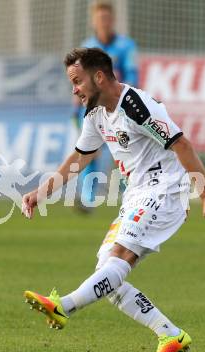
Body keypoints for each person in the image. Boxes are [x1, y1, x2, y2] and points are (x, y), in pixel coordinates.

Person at [22, 48, 205, 352]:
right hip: (137, 194)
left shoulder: (137, 105)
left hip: (165, 190)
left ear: (99, 77)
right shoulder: (95, 114)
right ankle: (170, 334)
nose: (74, 90)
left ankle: (64, 305)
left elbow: (182, 144)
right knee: (106, 274)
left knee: (118, 258)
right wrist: (40, 192)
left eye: (77, 82)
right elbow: (80, 157)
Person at [73, 1, 139, 209]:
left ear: (113, 20)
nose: (103, 22)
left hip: (119, 107)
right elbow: (80, 79)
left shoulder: (126, 46)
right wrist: (78, 101)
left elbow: (132, 75)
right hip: (93, 108)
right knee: (89, 151)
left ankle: (130, 192)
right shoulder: (87, 47)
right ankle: (88, 198)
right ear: (94, 21)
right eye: (100, 18)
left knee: (125, 150)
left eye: (106, 18)